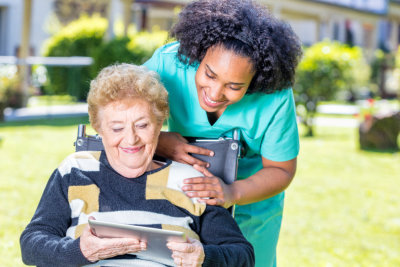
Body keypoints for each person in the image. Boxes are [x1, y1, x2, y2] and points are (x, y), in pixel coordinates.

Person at [20, 64, 255, 267]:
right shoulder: (76, 170)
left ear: (160, 123)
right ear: (98, 128)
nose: (131, 139)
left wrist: (203, 257)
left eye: (142, 125)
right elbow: (31, 244)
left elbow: (242, 255)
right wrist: (80, 251)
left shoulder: (190, 181)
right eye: (116, 128)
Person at [143, 0, 303, 266]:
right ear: (199, 53)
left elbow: (282, 169)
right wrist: (160, 141)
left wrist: (232, 193)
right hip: (182, 195)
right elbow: (120, 116)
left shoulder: (274, 96)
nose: (215, 94)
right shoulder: (167, 64)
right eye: (209, 74)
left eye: (234, 86)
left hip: (252, 203)